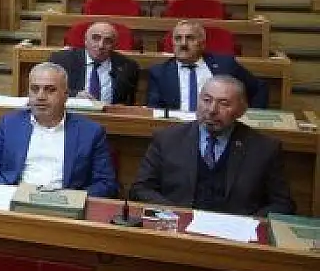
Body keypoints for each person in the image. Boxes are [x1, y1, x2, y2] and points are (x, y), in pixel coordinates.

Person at [131, 75, 293, 215]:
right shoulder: (167, 139)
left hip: (235, 234)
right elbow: (141, 189)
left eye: (224, 103)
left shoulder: (264, 148)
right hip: (177, 227)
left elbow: (283, 204)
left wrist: (248, 223)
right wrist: (174, 214)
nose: (212, 110)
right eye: (206, 100)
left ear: (242, 110)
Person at [0, 63, 118, 198]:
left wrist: (71, 199)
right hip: (15, 200)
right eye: (34, 89)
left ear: (66, 95)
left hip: (64, 206)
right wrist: (14, 194)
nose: (40, 96)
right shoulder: (9, 123)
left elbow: (106, 183)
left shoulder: (91, 132)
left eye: (50, 90)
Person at [147, 20, 266, 110]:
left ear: (202, 44)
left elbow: (259, 88)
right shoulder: (159, 73)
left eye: (190, 38)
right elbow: (154, 110)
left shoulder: (225, 66)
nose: (183, 44)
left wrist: (250, 117)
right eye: (178, 38)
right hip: (177, 129)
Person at [50, 21, 139, 105]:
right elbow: (50, 89)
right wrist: (74, 94)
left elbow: (129, 102)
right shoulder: (61, 60)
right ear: (85, 40)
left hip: (110, 114)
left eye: (107, 41)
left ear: (114, 45)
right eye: (96, 38)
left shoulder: (128, 66)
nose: (101, 45)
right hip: (72, 112)